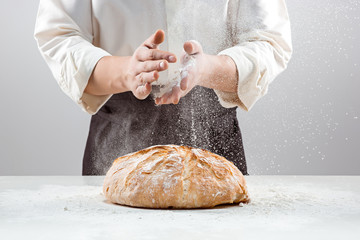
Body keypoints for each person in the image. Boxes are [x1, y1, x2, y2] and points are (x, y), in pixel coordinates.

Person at [34, 0, 292, 175]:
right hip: (118, 131)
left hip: (215, 135)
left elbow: (268, 41)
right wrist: (127, 72)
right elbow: (59, 34)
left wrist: (206, 69)